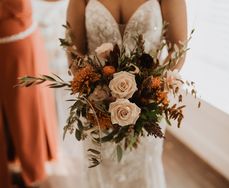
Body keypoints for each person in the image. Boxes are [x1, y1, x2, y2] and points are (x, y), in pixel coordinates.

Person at [66, 0, 187, 187]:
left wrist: (149, 90)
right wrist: (98, 90)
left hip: (148, 104)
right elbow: (74, 51)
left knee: (143, 170)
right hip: (96, 107)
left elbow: (177, 49)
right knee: (100, 169)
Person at [0, 0, 59, 187]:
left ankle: (22, 168)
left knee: (24, 111)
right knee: (24, 112)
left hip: (21, 39)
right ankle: (26, 170)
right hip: (16, 44)